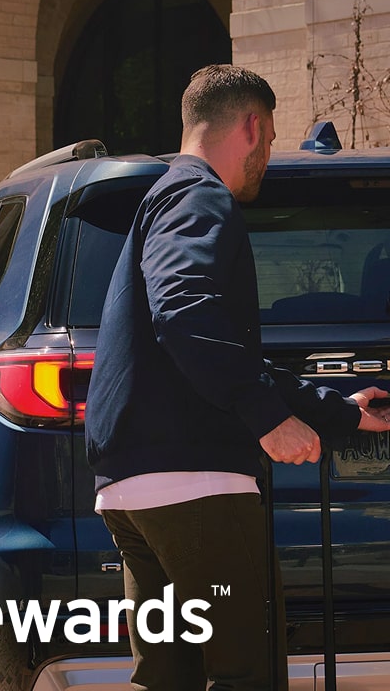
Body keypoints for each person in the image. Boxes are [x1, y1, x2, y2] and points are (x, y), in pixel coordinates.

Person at [85, 64, 390, 691]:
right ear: (251, 126)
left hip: (138, 494)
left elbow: (215, 341)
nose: (268, 157)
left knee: (166, 674)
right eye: (272, 140)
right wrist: (267, 418)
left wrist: (339, 411)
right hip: (199, 493)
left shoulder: (163, 196)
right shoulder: (199, 195)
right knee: (242, 671)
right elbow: (185, 306)